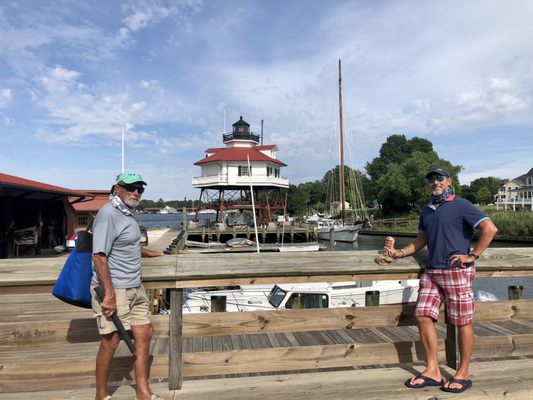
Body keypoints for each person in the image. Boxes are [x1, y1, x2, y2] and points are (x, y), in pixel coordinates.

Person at [385, 166, 497, 394]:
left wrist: (472, 255)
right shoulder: (427, 210)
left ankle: (463, 373)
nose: (435, 182)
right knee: (423, 315)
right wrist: (399, 253)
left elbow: (489, 228)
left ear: (448, 181)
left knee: (462, 321)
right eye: (431, 180)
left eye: (439, 178)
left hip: (457, 271)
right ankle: (433, 371)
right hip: (432, 272)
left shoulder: (462, 205)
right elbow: (422, 239)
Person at [91, 172, 164, 400]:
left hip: (135, 286)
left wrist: (149, 253)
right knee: (111, 341)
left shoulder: (128, 213)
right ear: (117, 188)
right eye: (131, 187)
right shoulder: (108, 214)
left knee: (144, 333)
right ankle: (101, 395)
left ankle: (143, 392)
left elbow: (125, 244)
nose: (136, 192)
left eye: (140, 188)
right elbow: (99, 255)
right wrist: (109, 295)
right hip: (115, 289)